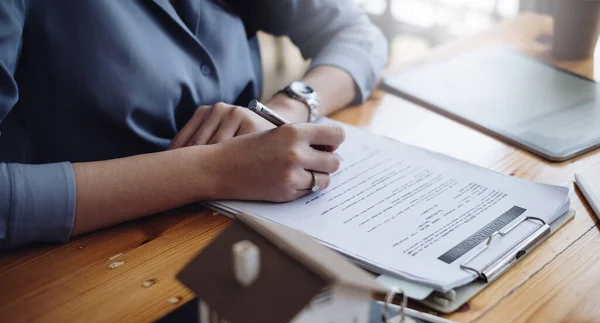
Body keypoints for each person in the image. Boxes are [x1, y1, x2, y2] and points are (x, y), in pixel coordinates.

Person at [0, 0, 387, 250]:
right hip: (77, 263)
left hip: (241, 234)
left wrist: (284, 111)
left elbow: (358, 34)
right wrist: (211, 169)